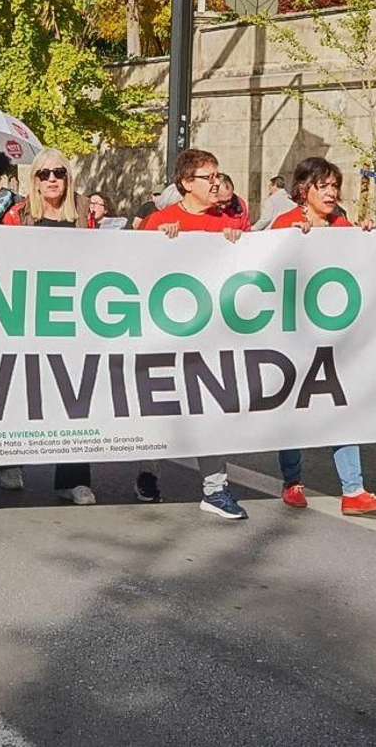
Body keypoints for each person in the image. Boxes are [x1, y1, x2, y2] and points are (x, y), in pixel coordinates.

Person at [269, 157, 376, 516]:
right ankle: (291, 480)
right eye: (323, 186)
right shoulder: (285, 223)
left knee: (342, 407)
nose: (331, 193)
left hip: (336, 337)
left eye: (335, 186)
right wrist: (291, 242)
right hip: (294, 336)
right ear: (304, 190)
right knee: (294, 410)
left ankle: (354, 490)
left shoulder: (341, 223)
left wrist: (367, 236)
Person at [139, 148, 248, 516]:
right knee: (157, 405)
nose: (216, 182)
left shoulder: (227, 224)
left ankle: (215, 489)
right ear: (187, 184)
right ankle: (148, 471)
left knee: (210, 408)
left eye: (218, 175)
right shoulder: (160, 222)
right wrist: (159, 244)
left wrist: (239, 244)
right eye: (208, 176)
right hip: (164, 332)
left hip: (210, 335)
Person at [2, 148, 97, 504]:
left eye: (59, 172)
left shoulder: (85, 211)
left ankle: (73, 479)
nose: (52, 179)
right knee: (18, 391)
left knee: (75, 397)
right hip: (26, 315)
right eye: (44, 174)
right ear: (34, 180)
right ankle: (9, 459)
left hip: (74, 317)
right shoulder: (17, 215)